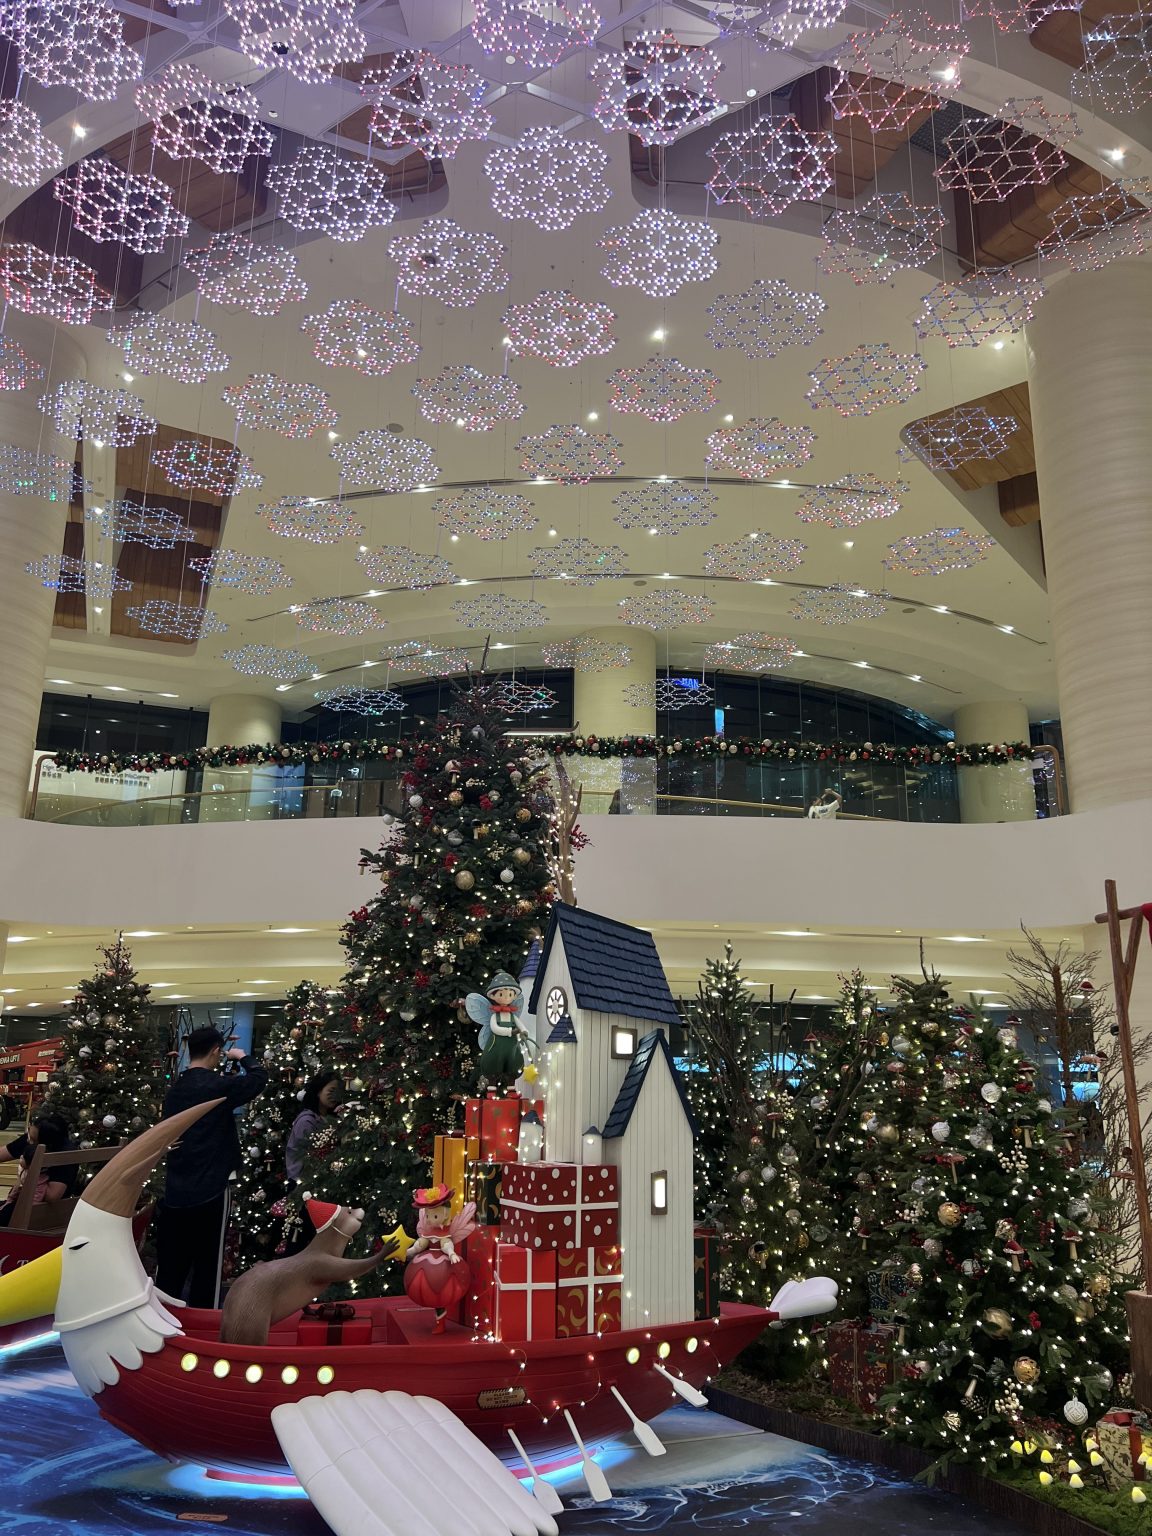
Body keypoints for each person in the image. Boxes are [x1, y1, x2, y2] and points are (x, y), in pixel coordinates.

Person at [155, 1026, 268, 1308]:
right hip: (212, 1185)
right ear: (216, 1051)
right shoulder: (217, 1087)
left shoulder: (175, 1090)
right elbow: (258, 1079)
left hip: (176, 1187)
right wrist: (242, 1057)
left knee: (173, 1261)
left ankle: (165, 1316)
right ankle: (203, 1317)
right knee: (208, 1261)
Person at [0, 1111, 77, 1227]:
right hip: (22, 1202)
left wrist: (29, 1172)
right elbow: (5, 1152)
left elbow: (52, 1196)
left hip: (43, 1211)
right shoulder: (33, 1137)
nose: (27, 1140)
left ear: (47, 1144)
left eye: (32, 1139)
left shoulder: (64, 1153)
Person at [285, 1071, 342, 1184]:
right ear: (318, 1091)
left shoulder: (331, 1118)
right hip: (304, 1183)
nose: (335, 1096)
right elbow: (309, 1156)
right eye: (331, 1091)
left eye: (338, 1092)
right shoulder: (306, 1121)